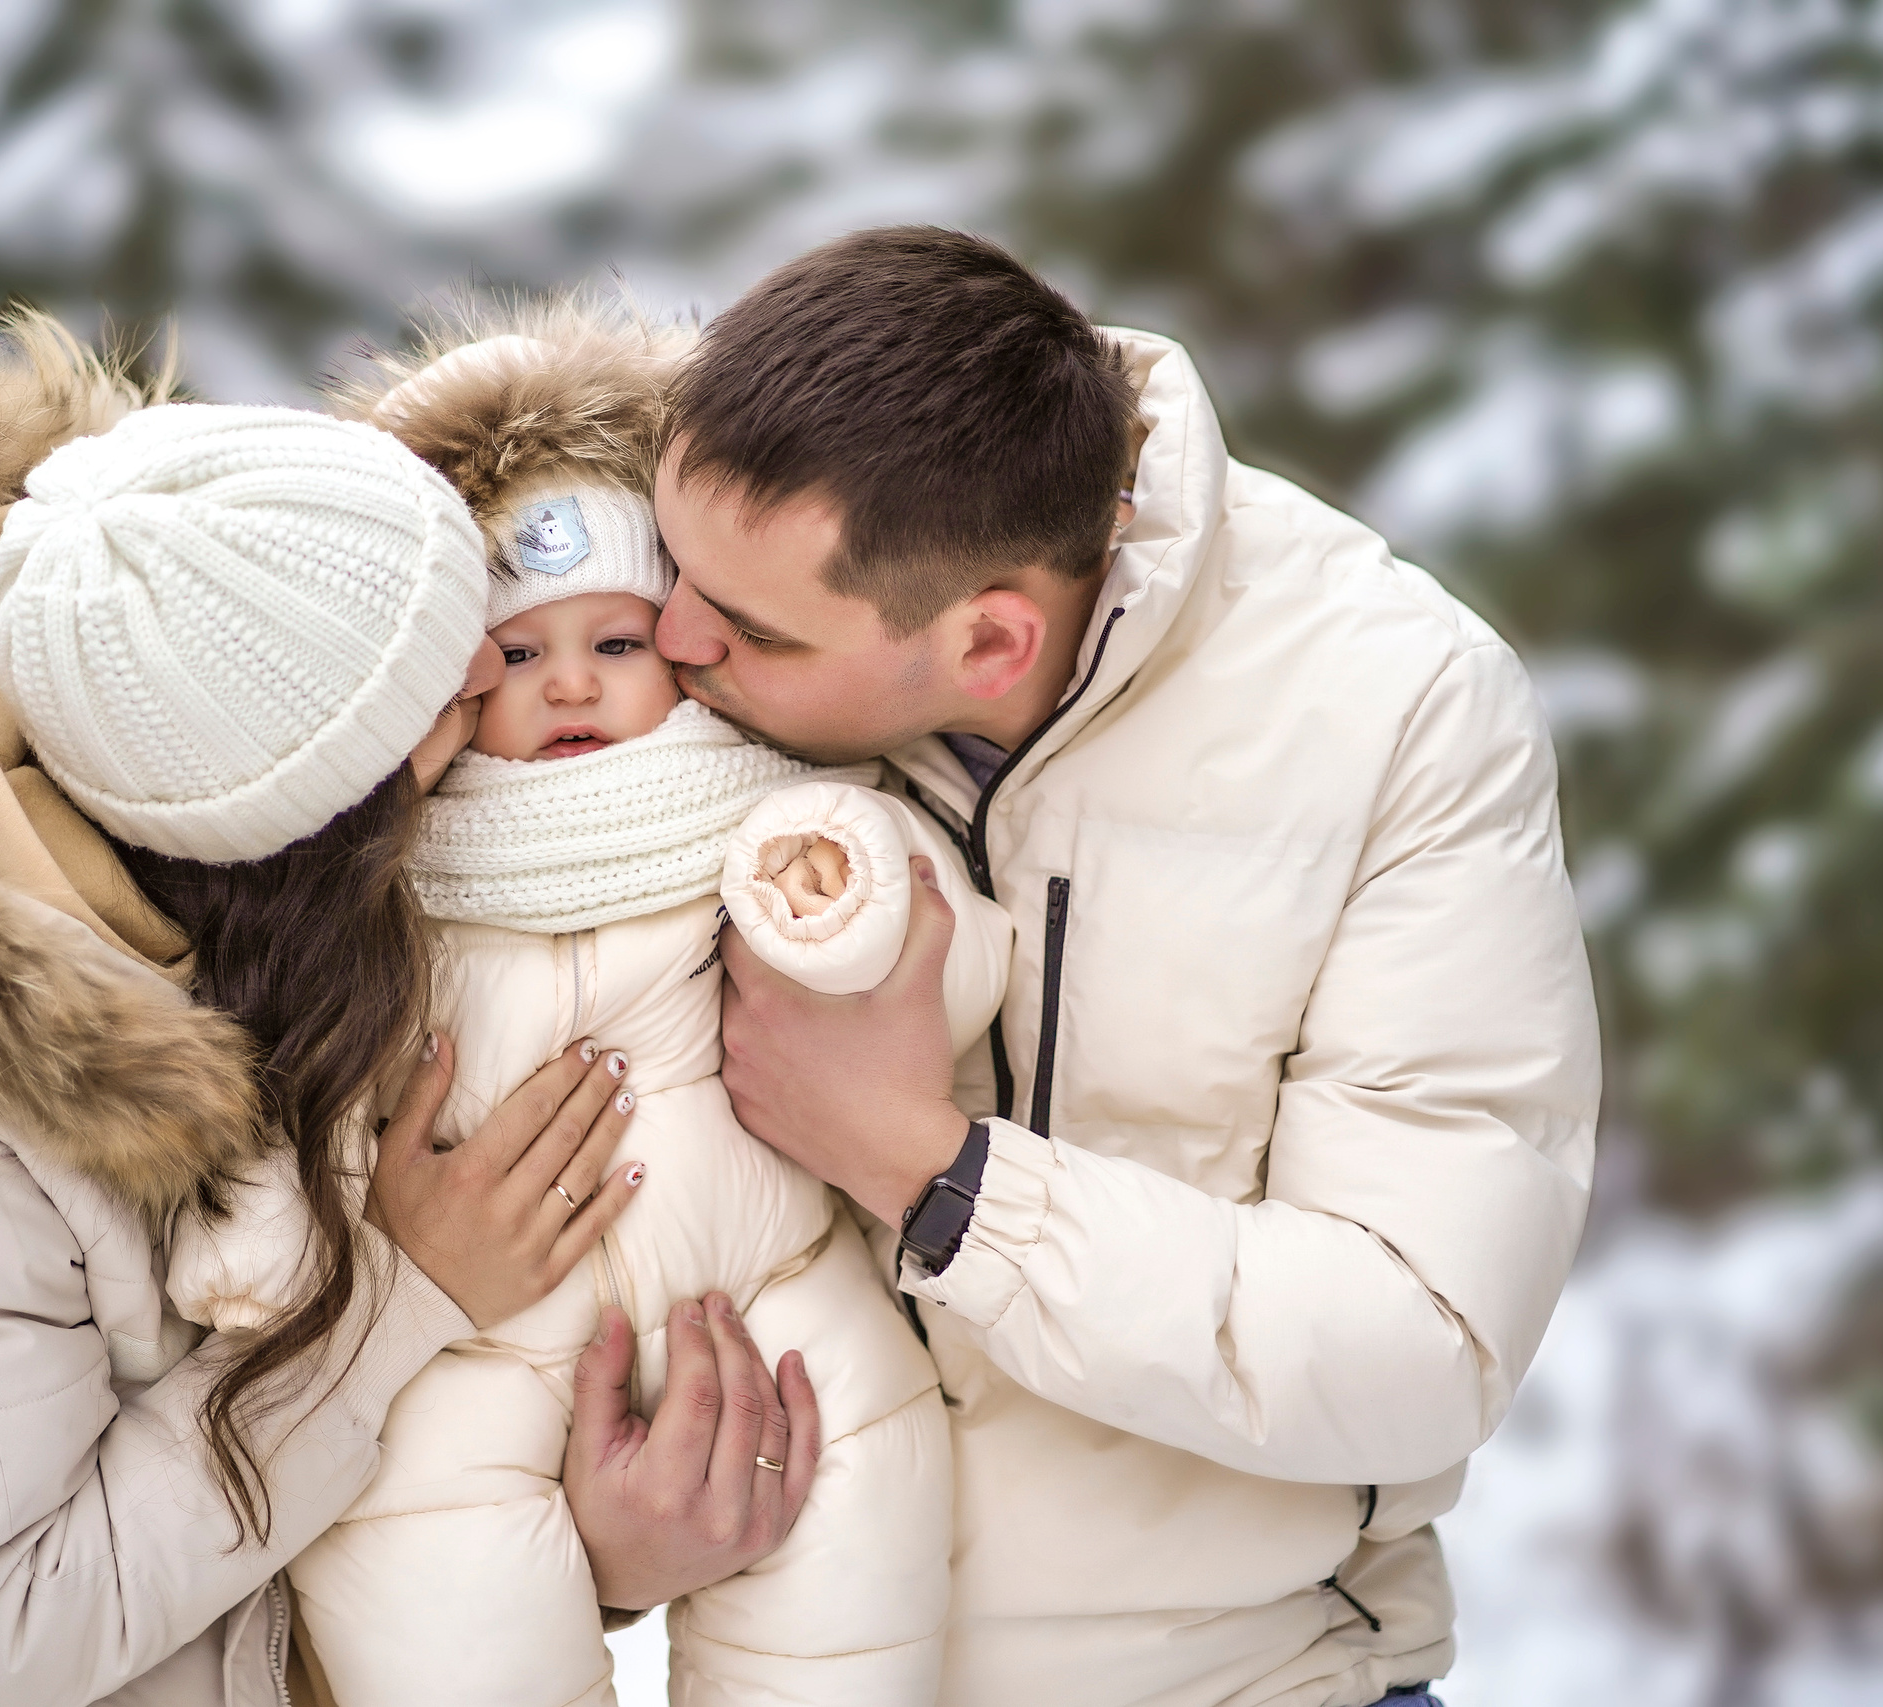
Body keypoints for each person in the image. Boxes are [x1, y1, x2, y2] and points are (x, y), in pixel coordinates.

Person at [0, 317, 817, 1707]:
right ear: (288, 815)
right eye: (435, 694)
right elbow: (14, 1638)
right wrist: (401, 1301)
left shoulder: (197, 850)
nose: (494, 691)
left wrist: (589, 1554)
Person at [657, 228, 1603, 1706]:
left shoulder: (1398, 709)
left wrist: (932, 1172)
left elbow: (1424, 1342)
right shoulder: (654, 691)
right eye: (671, 568)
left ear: (990, 641)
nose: (667, 638)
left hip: (1254, 1679)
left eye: (751, 632)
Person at [164, 306, 1012, 1707]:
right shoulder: (394, 875)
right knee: (426, 1559)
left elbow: (951, 964)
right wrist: (261, 1231)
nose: (567, 682)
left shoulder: (767, 803)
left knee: (861, 1495)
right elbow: (300, 1063)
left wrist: (847, 907)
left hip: (773, 1286)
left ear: (681, 647)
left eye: (615, 643)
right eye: (516, 654)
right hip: (476, 1334)